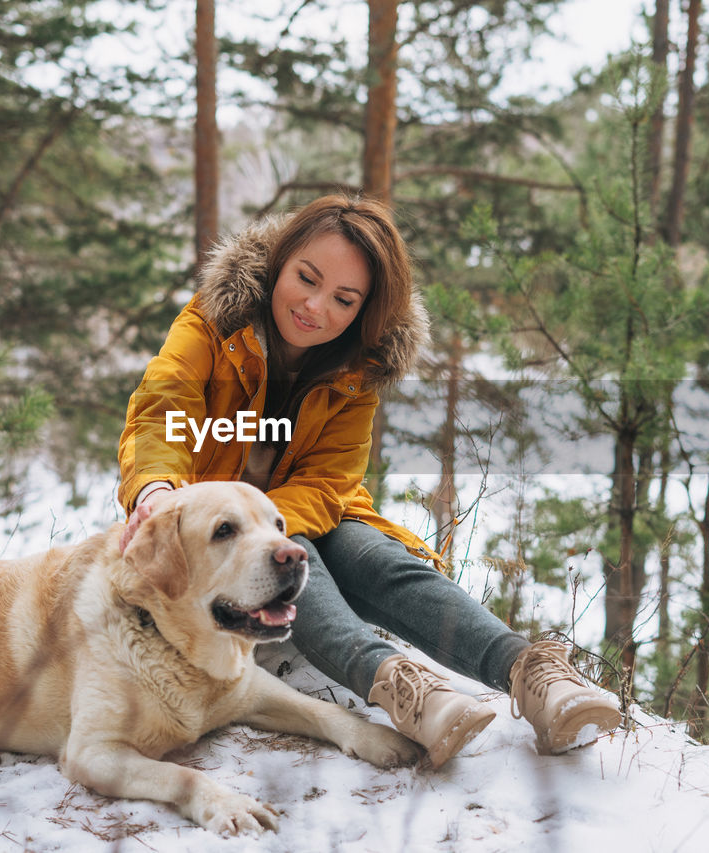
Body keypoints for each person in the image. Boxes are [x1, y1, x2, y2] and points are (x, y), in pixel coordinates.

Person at [117, 195, 620, 767]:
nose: (314, 307)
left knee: (380, 560)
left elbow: (329, 482)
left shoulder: (359, 371)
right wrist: (157, 489)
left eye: (343, 299)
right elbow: (162, 410)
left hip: (318, 510)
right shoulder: (213, 324)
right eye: (306, 278)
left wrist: (275, 525)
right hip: (215, 532)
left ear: (364, 311)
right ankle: (405, 689)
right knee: (288, 546)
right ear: (279, 261)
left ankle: (533, 674)